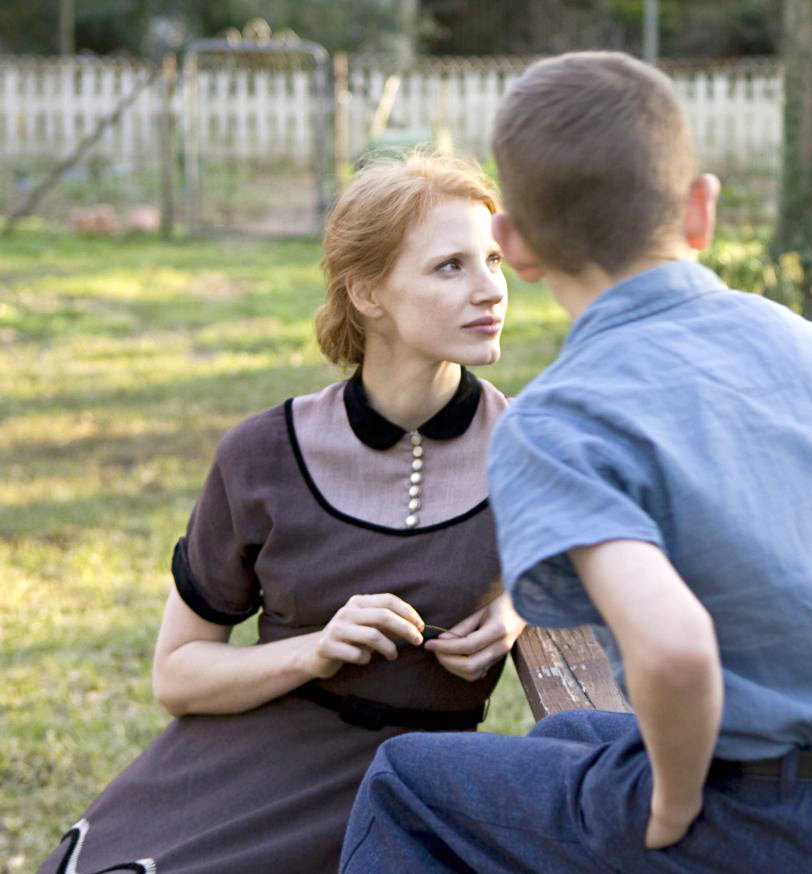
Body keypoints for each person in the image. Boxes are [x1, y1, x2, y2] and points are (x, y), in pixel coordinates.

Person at [338, 52, 812, 873]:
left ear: (514, 245)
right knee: (568, 735)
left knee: (406, 782)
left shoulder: (559, 419)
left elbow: (674, 650)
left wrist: (672, 802)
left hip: (772, 826)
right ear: (701, 209)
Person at [39, 154, 526, 874]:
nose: (491, 289)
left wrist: (519, 604)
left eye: (492, 258)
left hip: (415, 784)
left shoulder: (533, 451)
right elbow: (177, 674)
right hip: (251, 763)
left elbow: (615, 582)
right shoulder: (263, 456)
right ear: (368, 293)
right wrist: (317, 648)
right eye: (450, 267)